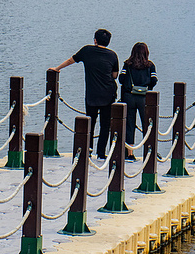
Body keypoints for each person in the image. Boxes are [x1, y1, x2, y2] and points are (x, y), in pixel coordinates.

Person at [50, 29, 119, 159]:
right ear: (108, 42)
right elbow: (114, 75)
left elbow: (71, 60)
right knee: (105, 125)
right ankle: (101, 153)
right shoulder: (112, 55)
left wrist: (57, 68)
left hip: (92, 94)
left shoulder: (87, 51)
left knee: (90, 123)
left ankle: (88, 150)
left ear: (95, 40)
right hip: (108, 94)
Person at [118, 42, 158, 161]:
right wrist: (147, 87)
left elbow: (121, 79)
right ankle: (149, 151)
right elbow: (154, 80)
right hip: (144, 97)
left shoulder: (127, 64)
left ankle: (130, 153)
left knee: (130, 125)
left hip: (129, 96)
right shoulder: (150, 65)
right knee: (147, 125)